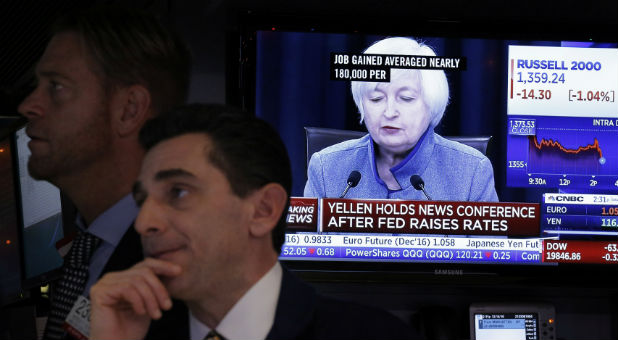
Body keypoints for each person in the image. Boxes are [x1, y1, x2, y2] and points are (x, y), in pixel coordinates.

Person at [89, 104, 416, 340]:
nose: (144, 222)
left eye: (178, 192)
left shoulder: (375, 334)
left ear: (263, 210)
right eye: (142, 200)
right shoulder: (130, 331)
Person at [17, 6, 191, 339]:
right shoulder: (87, 248)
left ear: (129, 110)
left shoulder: (184, 277)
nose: (28, 105)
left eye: (56, 86)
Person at [304, 37, 498, 201]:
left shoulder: (472, 172)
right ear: (362, 104)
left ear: (432, 104)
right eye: (376, 98)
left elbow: (489, 247)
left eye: (406, 98)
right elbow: (308, 246)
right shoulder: (325, 168)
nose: (389, 112)